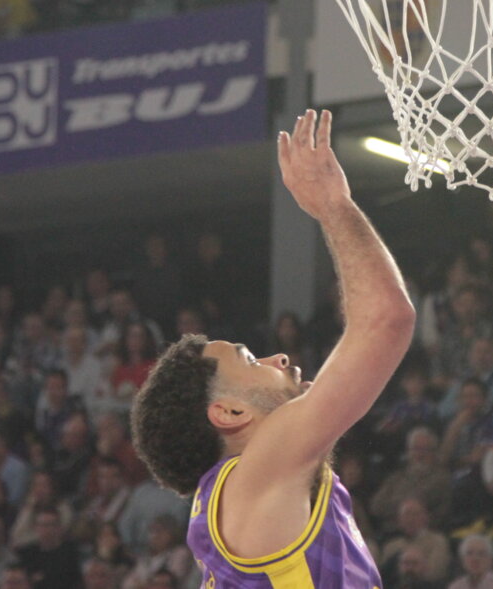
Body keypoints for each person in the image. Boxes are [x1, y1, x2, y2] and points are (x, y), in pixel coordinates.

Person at [131, 110, 414, 589]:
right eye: (248, 359)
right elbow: (386, 320)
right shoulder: (262, 468)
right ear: (229, 411)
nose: (277, 358)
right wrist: (332, 205)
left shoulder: (238, 500)